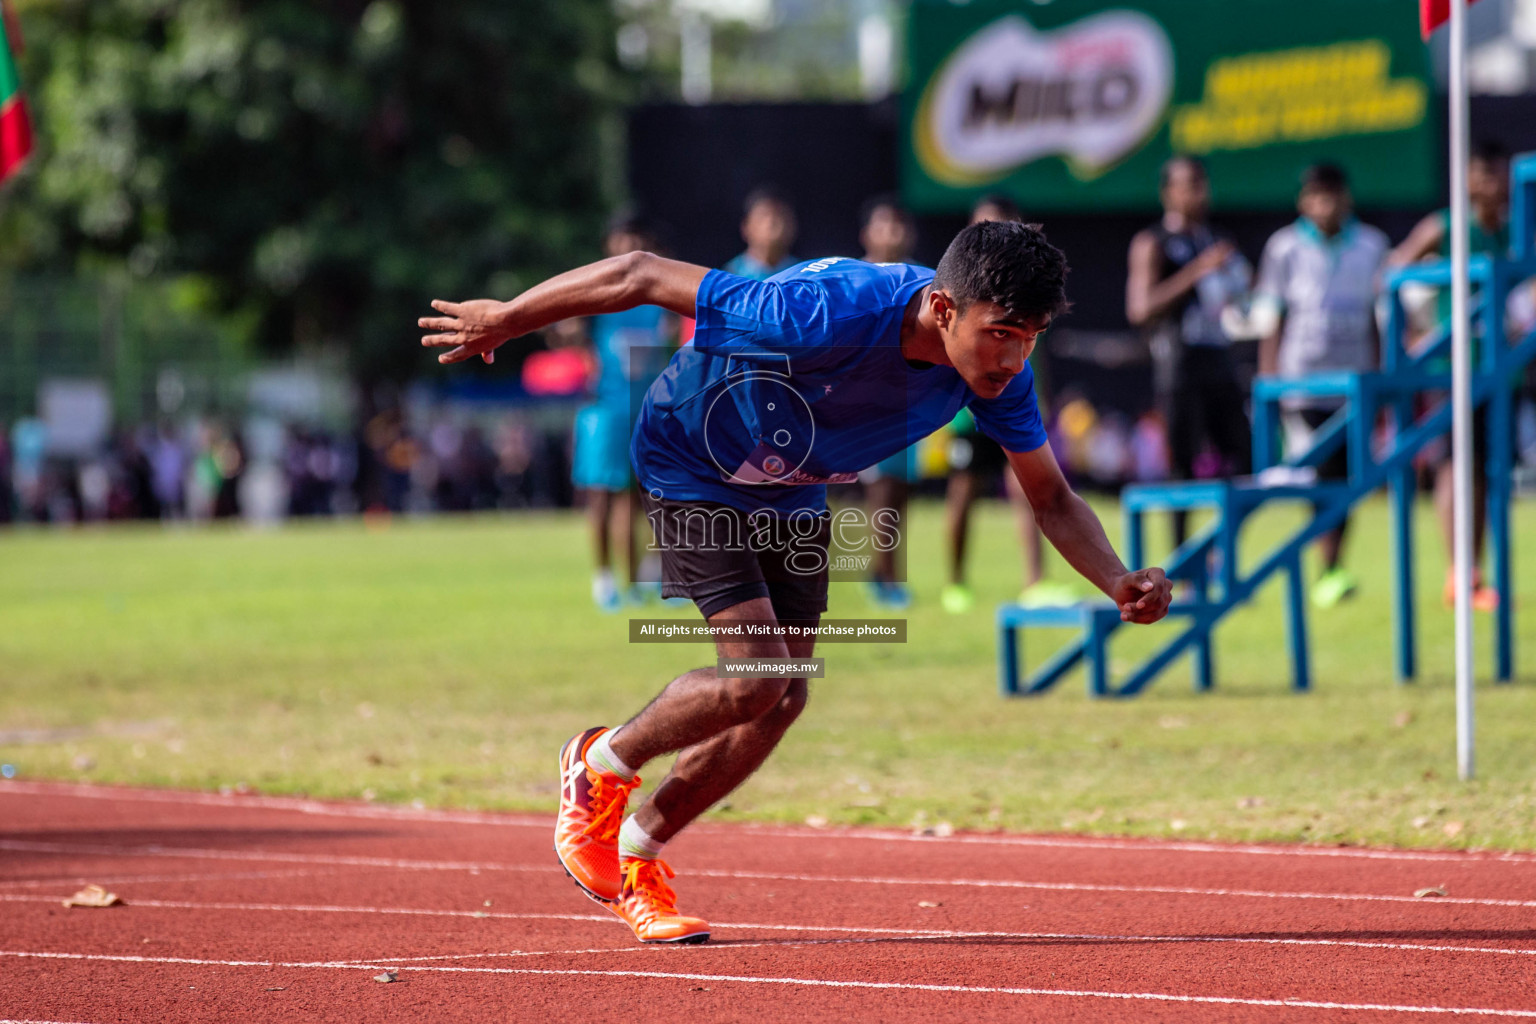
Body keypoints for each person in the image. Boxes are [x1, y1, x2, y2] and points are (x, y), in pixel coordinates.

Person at [418, 221, 1173, 945]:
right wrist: (511, 317)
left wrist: (1116, 578)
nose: (1012, 360)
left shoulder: (999, 376)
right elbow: (640, 273)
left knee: (785, 693)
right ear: (943, 308)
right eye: (1000, 333)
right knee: (758, 676)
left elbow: (1051, 497)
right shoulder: (817, 313)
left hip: (793, 485)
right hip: (692, 457)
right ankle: (598, 762)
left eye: (1029, 339)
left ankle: (634, 858)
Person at [1253, 163, 1389, 609]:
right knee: (1316, 474)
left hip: (1353, 383)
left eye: (1334, 195)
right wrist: (1270, 381)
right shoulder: (1285, 247)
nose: (1327, 205)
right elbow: (1271, 315)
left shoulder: (1371, 245)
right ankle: (1325, 567)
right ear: (1304, 201)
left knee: (1347, 477)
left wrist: (1380, 373)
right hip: (1302, 383)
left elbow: (1378, 316)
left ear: (1347, 198)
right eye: (1318, 195)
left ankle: (1333, 565)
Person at [1387, 140, 1511, 611]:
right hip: (1450, 369)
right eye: (1483, 173)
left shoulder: (1516, 230)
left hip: (1501, 370)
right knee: (1457, 467)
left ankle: (1473, 571)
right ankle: (1459, 571)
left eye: (1497, 174)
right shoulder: (1446, 227)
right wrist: (1415, 331)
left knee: (1486, 472)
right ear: (1465, 178)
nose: (1492, 184)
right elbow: (1393, 273)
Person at [941, 193, 1071, 613]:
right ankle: (956, 583)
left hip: (1014, 402)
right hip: (967, 409)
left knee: (1029, 488)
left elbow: (1034, 356)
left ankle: (1035, 581)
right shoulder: (956, 284)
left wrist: (1043, 402)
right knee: (964, 491)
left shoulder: (1030, 287)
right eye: (985, 227)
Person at [1126, 156, 1254, 551]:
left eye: (1202, 183)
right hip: (1178, 367)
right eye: (1188, 185)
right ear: (1168, 192)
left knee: (1245, 458)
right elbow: (1140, 309)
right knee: (1181, 468)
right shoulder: (1154, 242)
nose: (1198, 193)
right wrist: (1195, 272)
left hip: (1218, 360)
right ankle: (1182, 563)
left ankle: (1220, 554)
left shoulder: (1215, 240)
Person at [570, 213, 678, 611]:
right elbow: (565, 332)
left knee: (648, 498)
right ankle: (604, 579)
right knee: (603, 497)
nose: (627, 245)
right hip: (605, 410)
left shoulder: (658, 298)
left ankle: (643, 580)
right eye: (621, 237)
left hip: (647, 409)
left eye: (636, 237)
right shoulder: (594, 294)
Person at [854, 194, 920, 608]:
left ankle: (890, 571)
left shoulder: (918, 279)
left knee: (898, 489)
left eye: (899, 225)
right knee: (877, 486)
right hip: (862, 399)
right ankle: (882, 575)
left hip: (905, 397)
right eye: (884, 225)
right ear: (867, 234)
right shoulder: (855, 278)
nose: (892, 234)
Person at [723, 186, 799, 281]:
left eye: (781, 216)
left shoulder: (803, 274)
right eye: (763, 215)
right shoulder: (730, 275)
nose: (772, 222)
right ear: (746, 227)